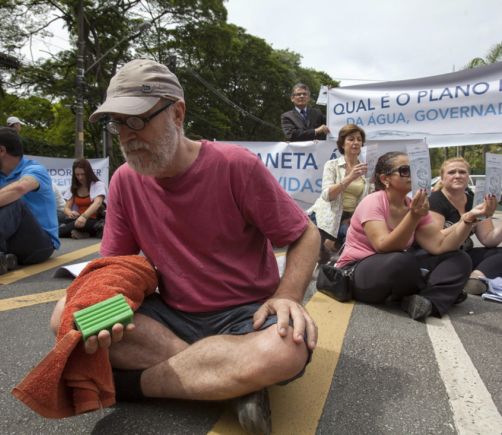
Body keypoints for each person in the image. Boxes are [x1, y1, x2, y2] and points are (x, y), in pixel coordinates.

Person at [50, 59, 319, 434]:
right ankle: (231, 382)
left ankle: (131, 386)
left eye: (137, 120)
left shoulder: (235, 165)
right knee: (67, 315)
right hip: (171, 315)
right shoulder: (125, 181)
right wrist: (96, 301)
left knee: (285, 350)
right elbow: (116, 266)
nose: (127, 136)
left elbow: (306, 233)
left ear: (177, 113)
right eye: (118, 123)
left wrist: (288, 295)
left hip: (247, 315)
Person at [335, 151, 496, 321]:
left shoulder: (414, 205)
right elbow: (383, 246)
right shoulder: (374, 201)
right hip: (358, 269)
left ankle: (427, 302)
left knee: (459, 258)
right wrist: (413, 216)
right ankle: (435, 289)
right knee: (401, 261)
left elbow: (439, 245)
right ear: (385, 179)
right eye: (405, 170)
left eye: (414, 169)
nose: (413, 174)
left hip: (396, 270)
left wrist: (469, 220)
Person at [429, 157, 502, 295]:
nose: (457, 175)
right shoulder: (435, 200)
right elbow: (435, 239)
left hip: (465, 252)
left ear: (468, 177)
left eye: (462, 172)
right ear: (442, 178)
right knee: (461, 257)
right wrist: (468, 219)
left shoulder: (474, 200)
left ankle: (475, 278)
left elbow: (488, 239)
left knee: (497, 253)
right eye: (452, 172)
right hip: (440, 254)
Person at [0, 127, 60, 275]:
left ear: (1, 150)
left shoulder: (35, 169)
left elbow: (20, 188)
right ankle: (6, 259)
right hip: (12, 242)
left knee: (14, 200)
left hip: (40, 244)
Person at [307, 124, 370, 263]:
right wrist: (349, 178)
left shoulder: (366, 169)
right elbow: (327, 195)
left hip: (350, 218)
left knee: (351, 252)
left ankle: (333, 249)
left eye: (359, 139)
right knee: (316, 260)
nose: (356, 142)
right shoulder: (332, 165)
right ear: (342, 143)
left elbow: (367, 200)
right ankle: (325, 250)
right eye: (351, 139)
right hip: (327, 217)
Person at [59, 159, 106, 239]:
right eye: (77, 175)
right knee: (59, 217)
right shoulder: (74, 187)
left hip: (95, 220)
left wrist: (84, 217)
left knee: (63, 230)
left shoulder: (98, 185)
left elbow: (97, 203)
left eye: (83, 174)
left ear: (88, 173)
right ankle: (84, 233)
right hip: (78, 218)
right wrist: (70, 213)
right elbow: (66, 208)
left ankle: (60, 231)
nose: (80, 177)